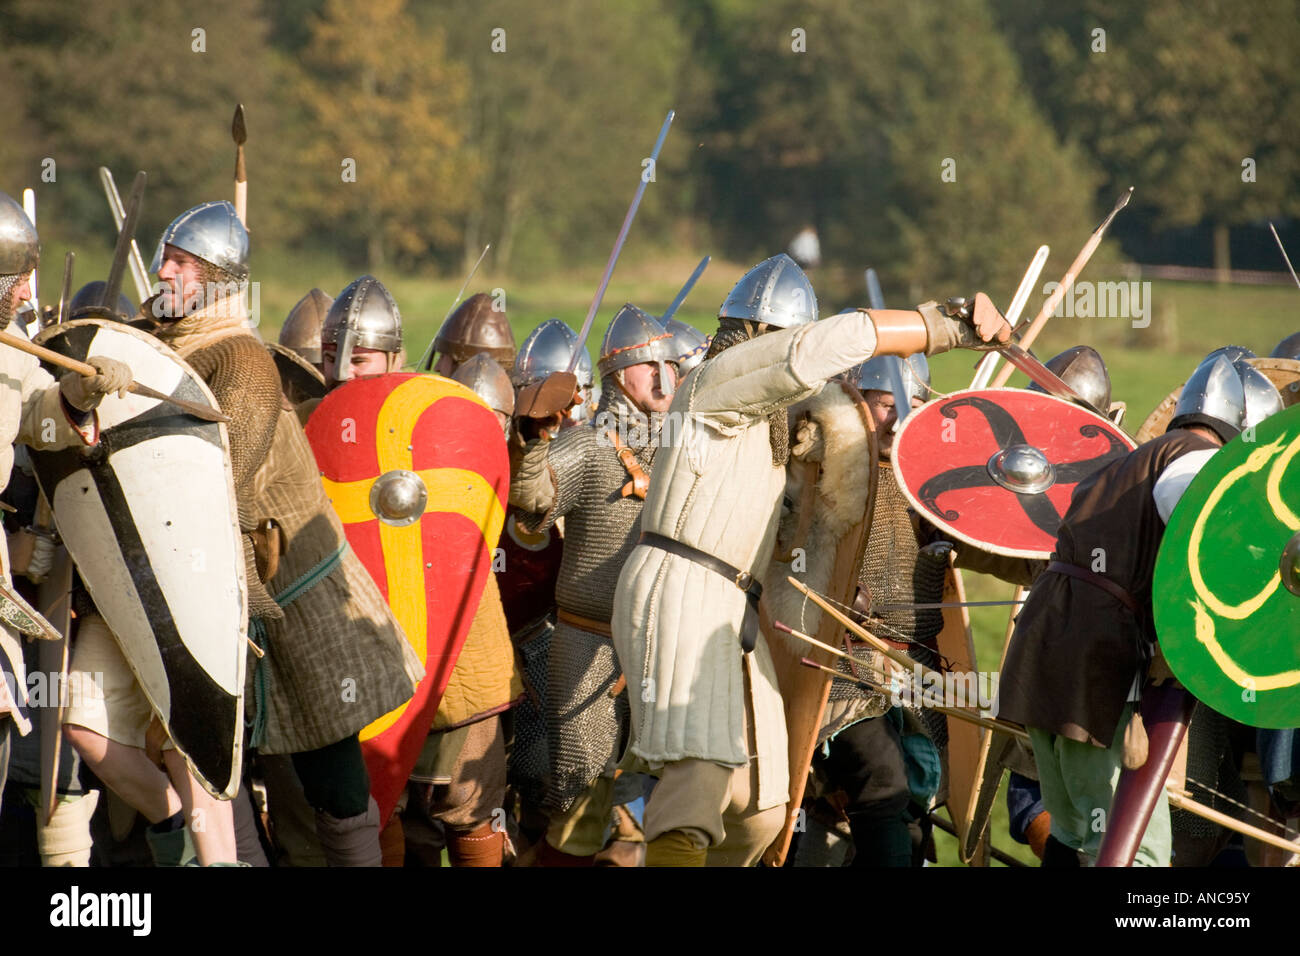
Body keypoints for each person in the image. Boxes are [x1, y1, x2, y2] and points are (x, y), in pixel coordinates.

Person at [607, 253, 1012, 866]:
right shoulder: (718, 380)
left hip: (733, 607)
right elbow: (816, 352)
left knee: (764, 803)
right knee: (698, 782)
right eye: (780, 340)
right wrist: (943, 323)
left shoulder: (770, 422)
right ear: (753, 337)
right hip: (684, 589)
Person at [66, 203, 419, 867]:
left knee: (331, 772)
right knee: (201, 757)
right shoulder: (154, 344)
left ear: (218, 281)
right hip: (190, 575)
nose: (162, 269)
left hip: (285, 577)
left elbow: (220, 479)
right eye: (165, 256)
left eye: (180, 263)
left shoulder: (241, 360)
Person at [997, 352, 1284, 866]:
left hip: (1045, 650)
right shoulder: (1196, 459)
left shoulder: (1132, 460)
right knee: (1133, 850)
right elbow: (1201, 527)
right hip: (1095, 664)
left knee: (1073, 831)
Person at [509, 304, 679, 866]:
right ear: (616, 378)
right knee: (579, 796)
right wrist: (533, 441)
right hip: (591, 643)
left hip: (667, 650)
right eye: (647, 366)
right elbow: (534, 503)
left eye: (668, 365)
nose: (662, 376)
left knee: (673, 800)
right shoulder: (591, 445)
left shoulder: (687, 446)